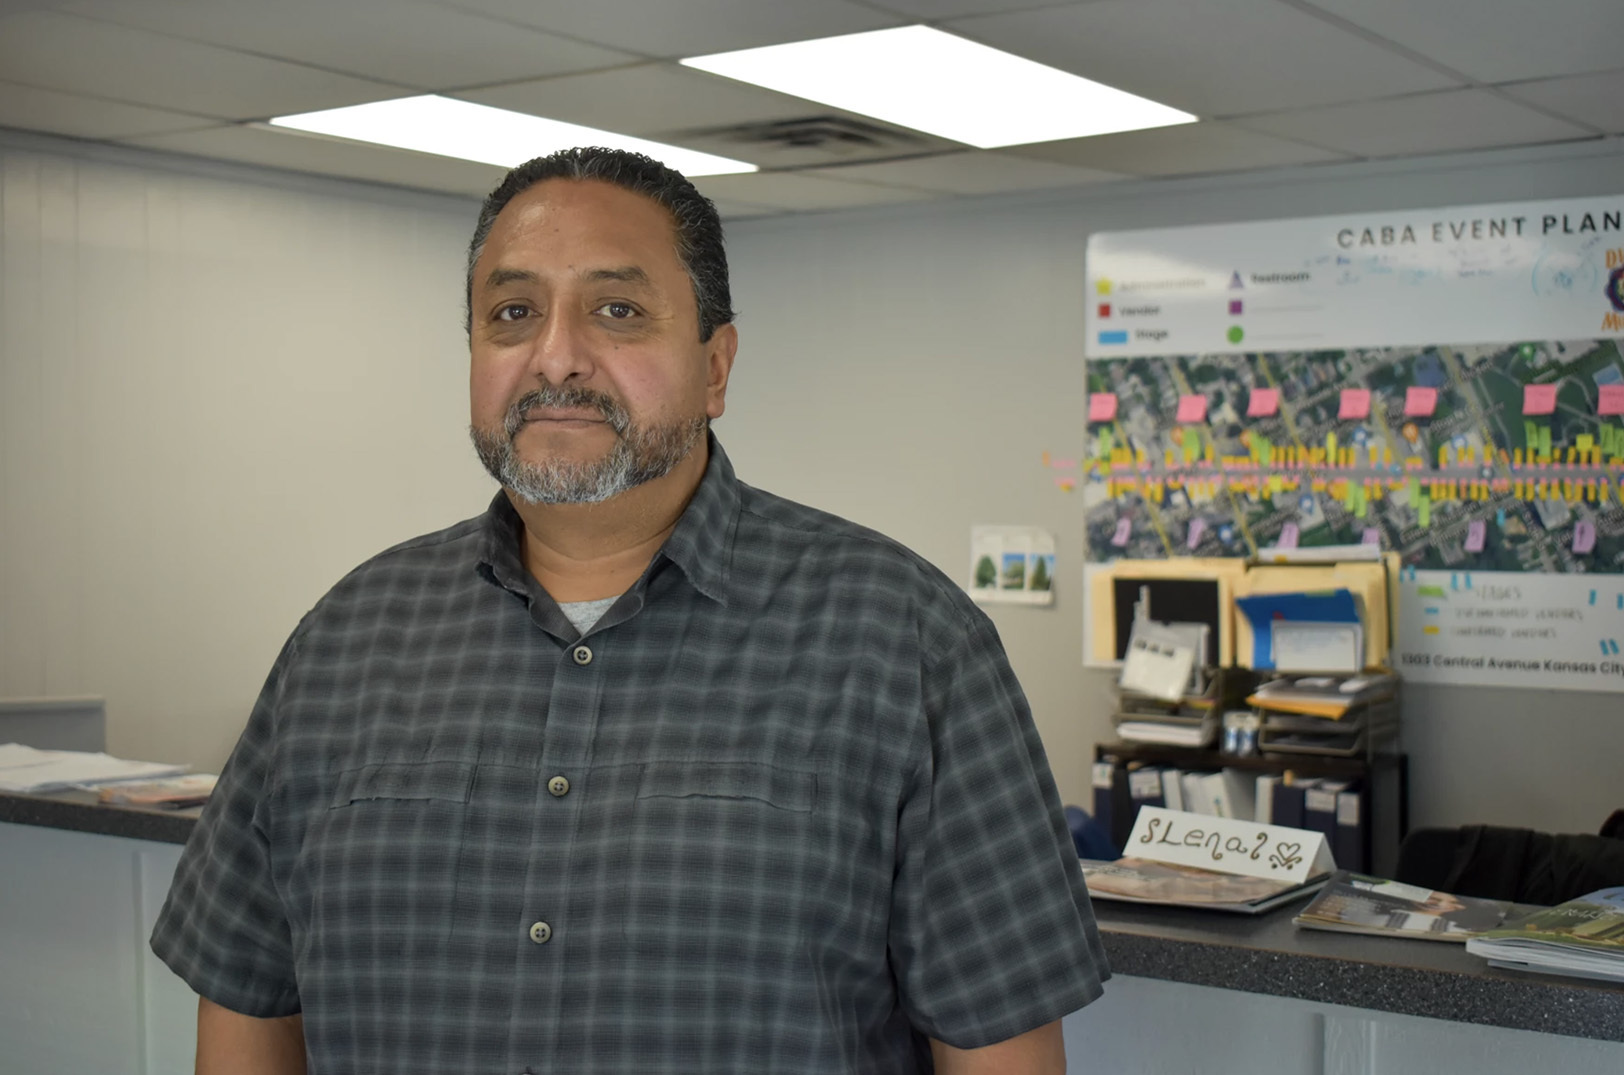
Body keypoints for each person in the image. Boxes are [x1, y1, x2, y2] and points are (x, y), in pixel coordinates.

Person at [152, 146, 1109, 1074]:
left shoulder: (906, 642)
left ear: (715, 367)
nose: (556, 357)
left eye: (617, 309)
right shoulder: (343, 643)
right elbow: (248, 1000)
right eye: (513, 313)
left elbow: (1000, 1045)